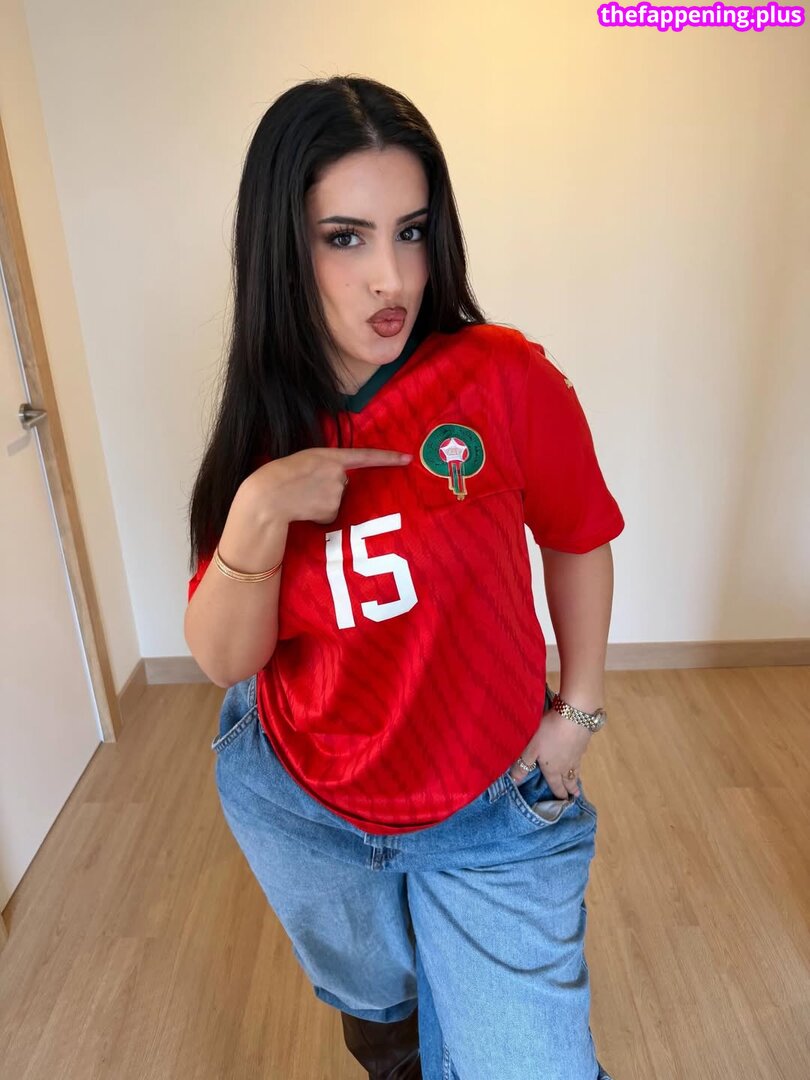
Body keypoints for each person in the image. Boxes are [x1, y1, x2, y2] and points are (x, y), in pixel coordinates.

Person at [184, 74, 622, 1080]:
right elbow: (224, 658)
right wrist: (258, 511)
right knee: (384, 1017)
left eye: (412, 232)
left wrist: (578, 710)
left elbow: (578, 535)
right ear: (282, 249)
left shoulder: (503, 378)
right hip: (303, 803)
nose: (392, 277)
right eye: (346, 238)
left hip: (492, 806)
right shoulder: (262, 423)